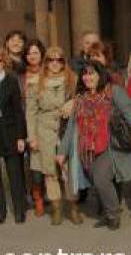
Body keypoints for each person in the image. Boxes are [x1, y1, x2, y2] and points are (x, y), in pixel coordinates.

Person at [57, 61, 131, 230]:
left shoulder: (113, 91)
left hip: (110, 145)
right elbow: (71, 128)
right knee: (101, 180)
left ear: (100, 75)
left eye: (92, 73)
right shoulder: (80, 98)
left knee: (101, 179)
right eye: (85, 74)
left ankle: (113, 215)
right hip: (87, 148)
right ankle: (108, 211)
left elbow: (129, 112)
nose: (88, 77)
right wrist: (62, 152)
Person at [26, 47, 79, 225]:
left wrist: (73, 101)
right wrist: (31, 137)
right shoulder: (35, 82)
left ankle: (73, 207)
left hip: (67, 128)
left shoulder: (73, 79)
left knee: (69, 169)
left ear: (64, 62)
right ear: (45, 62)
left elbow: (85, 96)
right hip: (44, 129)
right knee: (50, 171)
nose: (55, 63)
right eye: (51, 60)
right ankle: (56, 208)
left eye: (59, 60)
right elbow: (31, 112)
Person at [0, 47, 27, 223]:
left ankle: (19, 210)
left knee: (15, 173)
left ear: (2, 61)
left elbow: (18, 111)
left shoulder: (10, 81)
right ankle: (1, 212)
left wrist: (20, 137)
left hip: (9, 130)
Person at [21, 39, 46, 217]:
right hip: (29, 125)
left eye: (35, 52)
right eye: (29, 53)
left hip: (48, 125)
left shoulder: (50, 72)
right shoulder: (20, 77)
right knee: (35, 166)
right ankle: (37, 196)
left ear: (41, 54)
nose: (32, 56)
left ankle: (53, 196)